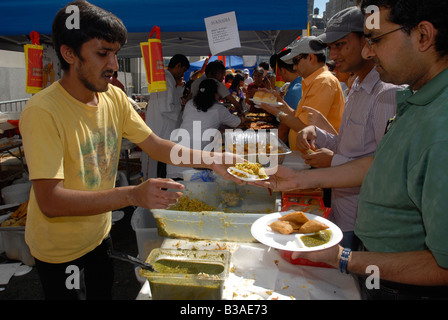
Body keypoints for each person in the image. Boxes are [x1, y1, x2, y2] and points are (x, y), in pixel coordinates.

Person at [19, 0, 240, 300]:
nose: (113, 64)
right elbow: (51, 202)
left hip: (98, 234)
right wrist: (133, 194)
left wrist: (212, 159)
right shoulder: (43, 111)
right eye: (102, 53)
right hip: (59, 250)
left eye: (115, 53)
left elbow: (156, 146)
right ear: (69, 53)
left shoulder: (113, 98)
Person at [252, 0, 448, 299]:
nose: (369, 52)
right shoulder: (416, 99)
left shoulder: (434, 121)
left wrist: (343, 258)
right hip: (376, 259)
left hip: (403, 282)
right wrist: (300, 179)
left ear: (423, 36)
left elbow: (442, 265)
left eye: (377, 40)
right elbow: (380, 162)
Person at [295, 6, 401, 250]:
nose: (333, 54)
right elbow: (349, 144)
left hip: (362, 220)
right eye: (331, 47)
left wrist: (333, 160)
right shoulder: (356, 87)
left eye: (341, 45)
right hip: (342, 211)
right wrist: (318, 135)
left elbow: (386, 168)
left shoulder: (387, 93)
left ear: (367, 42)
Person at [258, 36, 345, 151]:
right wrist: (279, 102)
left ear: (310, 57)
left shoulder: (323, 82)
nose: (294, 67)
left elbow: (306, 127)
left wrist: (276, 113)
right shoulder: (314, 81)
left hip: (317, 157)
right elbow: (299, 117)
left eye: (296, 61)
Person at [167, 79, 242, 179]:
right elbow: (237, 123)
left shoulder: (189, 104)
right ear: (216, 94)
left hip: (174, 157)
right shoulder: (218, 110)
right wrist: (242, 117)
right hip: (194, 163)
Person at [141, 54, 190, 180]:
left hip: (161, 127)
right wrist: (180, 107)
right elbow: (166, 108)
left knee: (160, 162)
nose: (182, 74)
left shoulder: (166, 79)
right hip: (161, 129)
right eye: (183, 70)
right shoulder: (166, 79)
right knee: (158, 164)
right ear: (178, 65)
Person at [269, 51, 302, 144]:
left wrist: (272, 148)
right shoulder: (298, 84)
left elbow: (284, 127)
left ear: (282, 70)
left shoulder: (294, 90)